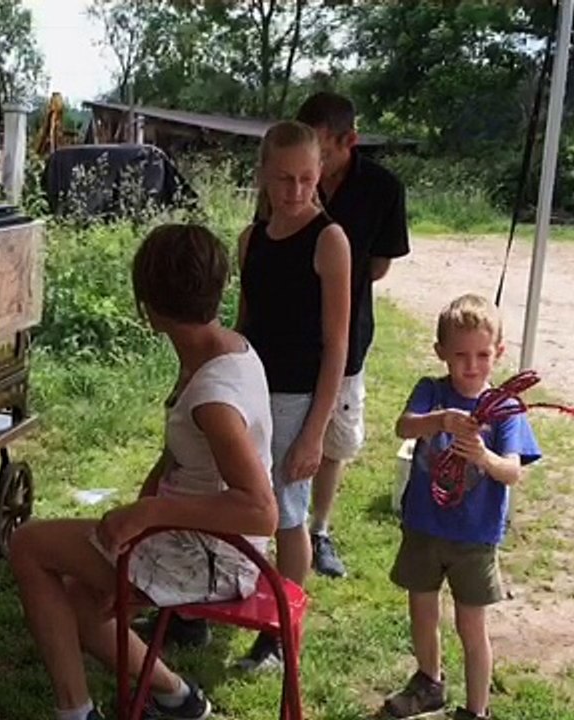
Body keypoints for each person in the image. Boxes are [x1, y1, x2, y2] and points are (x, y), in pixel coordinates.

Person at [9, 223, 278, 720]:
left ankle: (76, 713)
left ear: (147, 309)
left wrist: (151, 512)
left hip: (213, 557)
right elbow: (180, 453)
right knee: (81, 600)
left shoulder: (214, 399)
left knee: (28, 545)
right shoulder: (225, 347)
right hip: (205, 543)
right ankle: (178, 697)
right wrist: (142, 507)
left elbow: (261, 510)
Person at [382, 293, 540, 720]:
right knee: (422, 611)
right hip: (424, 526)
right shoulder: (431, 391)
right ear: (441, 353)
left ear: (499, 353)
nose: (472, 365)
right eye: (460, 355)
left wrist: (483, 457)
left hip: (474, 538)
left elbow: (512, 471)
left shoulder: (505, 409)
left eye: (482, 355)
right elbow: (403, 426)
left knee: (472, 627)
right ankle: (428, 682)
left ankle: (476, 710)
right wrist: (440, 421)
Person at [229, 120, 351, 671]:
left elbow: (337, 343)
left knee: (287, 514)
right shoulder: (250, 240)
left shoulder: (329, 240)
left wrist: (314, 432)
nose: (296, 190)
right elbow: (245, 321)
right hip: (249, 391)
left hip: (297, 398)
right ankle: (209, 606)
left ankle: (280, 631)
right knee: (237, 502)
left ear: (320, 173)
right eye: (283, 179)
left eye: (306, 178)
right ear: (263, 176)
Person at [295, 91, 411, 579]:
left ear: (350, 141)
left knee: (334, 438)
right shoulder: (289, 176)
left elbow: (380, 266)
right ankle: (281, 525)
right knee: (283, 429)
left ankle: (318, 530)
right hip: (286, 329)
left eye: (323, 152)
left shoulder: (383, 188)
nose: (313, 164)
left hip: (347, 331)